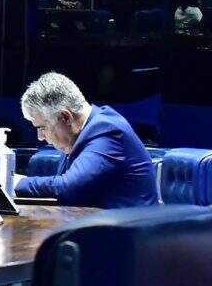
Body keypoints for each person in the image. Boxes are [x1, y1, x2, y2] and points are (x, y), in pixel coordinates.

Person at [13, 72, 158, 208]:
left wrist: (17, 183)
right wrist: (20, 181)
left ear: (65, 117)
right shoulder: (78, 135)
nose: (40, 136)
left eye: (42, 127)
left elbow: (68, 186)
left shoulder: (107, 131)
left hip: (129, 225)